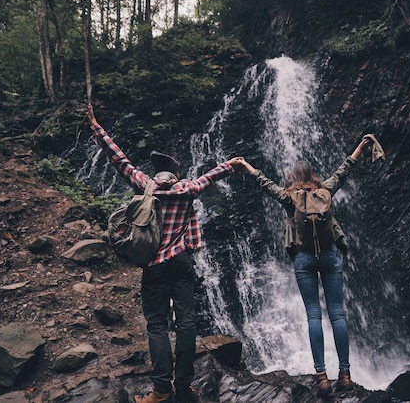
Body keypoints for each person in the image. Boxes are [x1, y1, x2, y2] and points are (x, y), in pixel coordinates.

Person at [85, 104, 243, 403]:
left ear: (157, 173)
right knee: (186, 323)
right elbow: (213, 175)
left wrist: (96, 126)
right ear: (177, 172)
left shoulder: (145, 185)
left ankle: (160, 391)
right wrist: (230, 163)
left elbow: (118, 157)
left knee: (157, 325)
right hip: (182, 262)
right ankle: (184, 388)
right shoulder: (187, 189)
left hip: (154, 264)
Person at [236, 136, 371, 397]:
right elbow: (344, 169)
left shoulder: (289, 198)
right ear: (313, 176)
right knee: (337, 314)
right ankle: (345, 375)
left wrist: (245, 165)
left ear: (292, 178)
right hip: (330, 256)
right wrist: (360, 148)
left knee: (313, 315)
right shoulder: (326, 191)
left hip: (304, 258)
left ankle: (321, 377)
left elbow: (265, 184)